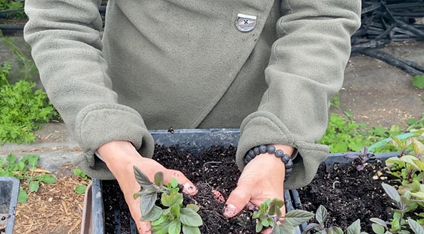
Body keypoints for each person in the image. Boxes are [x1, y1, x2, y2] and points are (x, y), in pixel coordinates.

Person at [23, 0, 361, 233]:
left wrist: (275, 145)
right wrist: (114, 143)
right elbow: (59, 21)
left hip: (254, 121)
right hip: (135, 123)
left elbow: (322, 16)